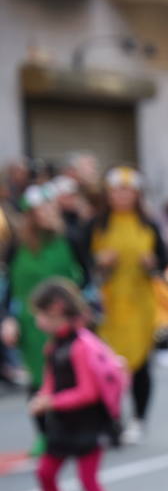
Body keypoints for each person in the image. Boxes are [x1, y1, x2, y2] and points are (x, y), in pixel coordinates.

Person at [26, 278, 127, 491]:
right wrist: (44, 397)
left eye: (42, 314)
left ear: (58, 309)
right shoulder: (54, 345)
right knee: (45, 473)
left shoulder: (82, 345)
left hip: (87, 423)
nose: (38, 320)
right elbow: (51, 380)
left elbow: (88, 391)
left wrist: (52, 401)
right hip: (62, 423)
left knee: (88, 479)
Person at [86, 166, 168, 446]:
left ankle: (139, 418)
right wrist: (99, 264)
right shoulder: (96, 226)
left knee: (139, 364)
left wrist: (153, 266)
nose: (122, 196)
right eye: (116, 191)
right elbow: (81, 265)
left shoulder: (149, 225)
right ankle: (110, 419)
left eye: (128, 191)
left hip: (140, 303)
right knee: (105, 367)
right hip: (107, 306)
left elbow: (164, 262)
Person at [2, 184, 89, 454]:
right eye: (40, 209)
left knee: (74, 377)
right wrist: (7, 319)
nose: (46, 213)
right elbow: (8, 287)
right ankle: (45, 435)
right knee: (39, 380)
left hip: (67, 321)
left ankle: (83, 430)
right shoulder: (17, 246)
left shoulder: (70, 238)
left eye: (50, 208)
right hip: (34, 325)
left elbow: (86, 277)